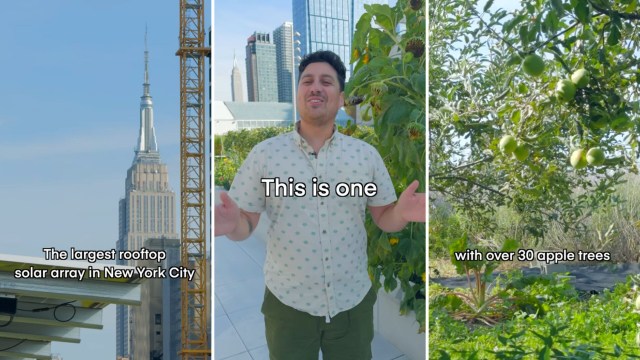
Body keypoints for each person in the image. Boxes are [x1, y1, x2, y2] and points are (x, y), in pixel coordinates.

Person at [215, 50, 425, 360]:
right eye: (307, 81)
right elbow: (245, 223)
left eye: (326, 82)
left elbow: (383, 217)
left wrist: (403, 214)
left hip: (351, 304)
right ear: (298, 93)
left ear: (340, 97)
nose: (315, 87)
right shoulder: (265, 154)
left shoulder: (364, 156)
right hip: (288, 306)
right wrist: (233, 225)